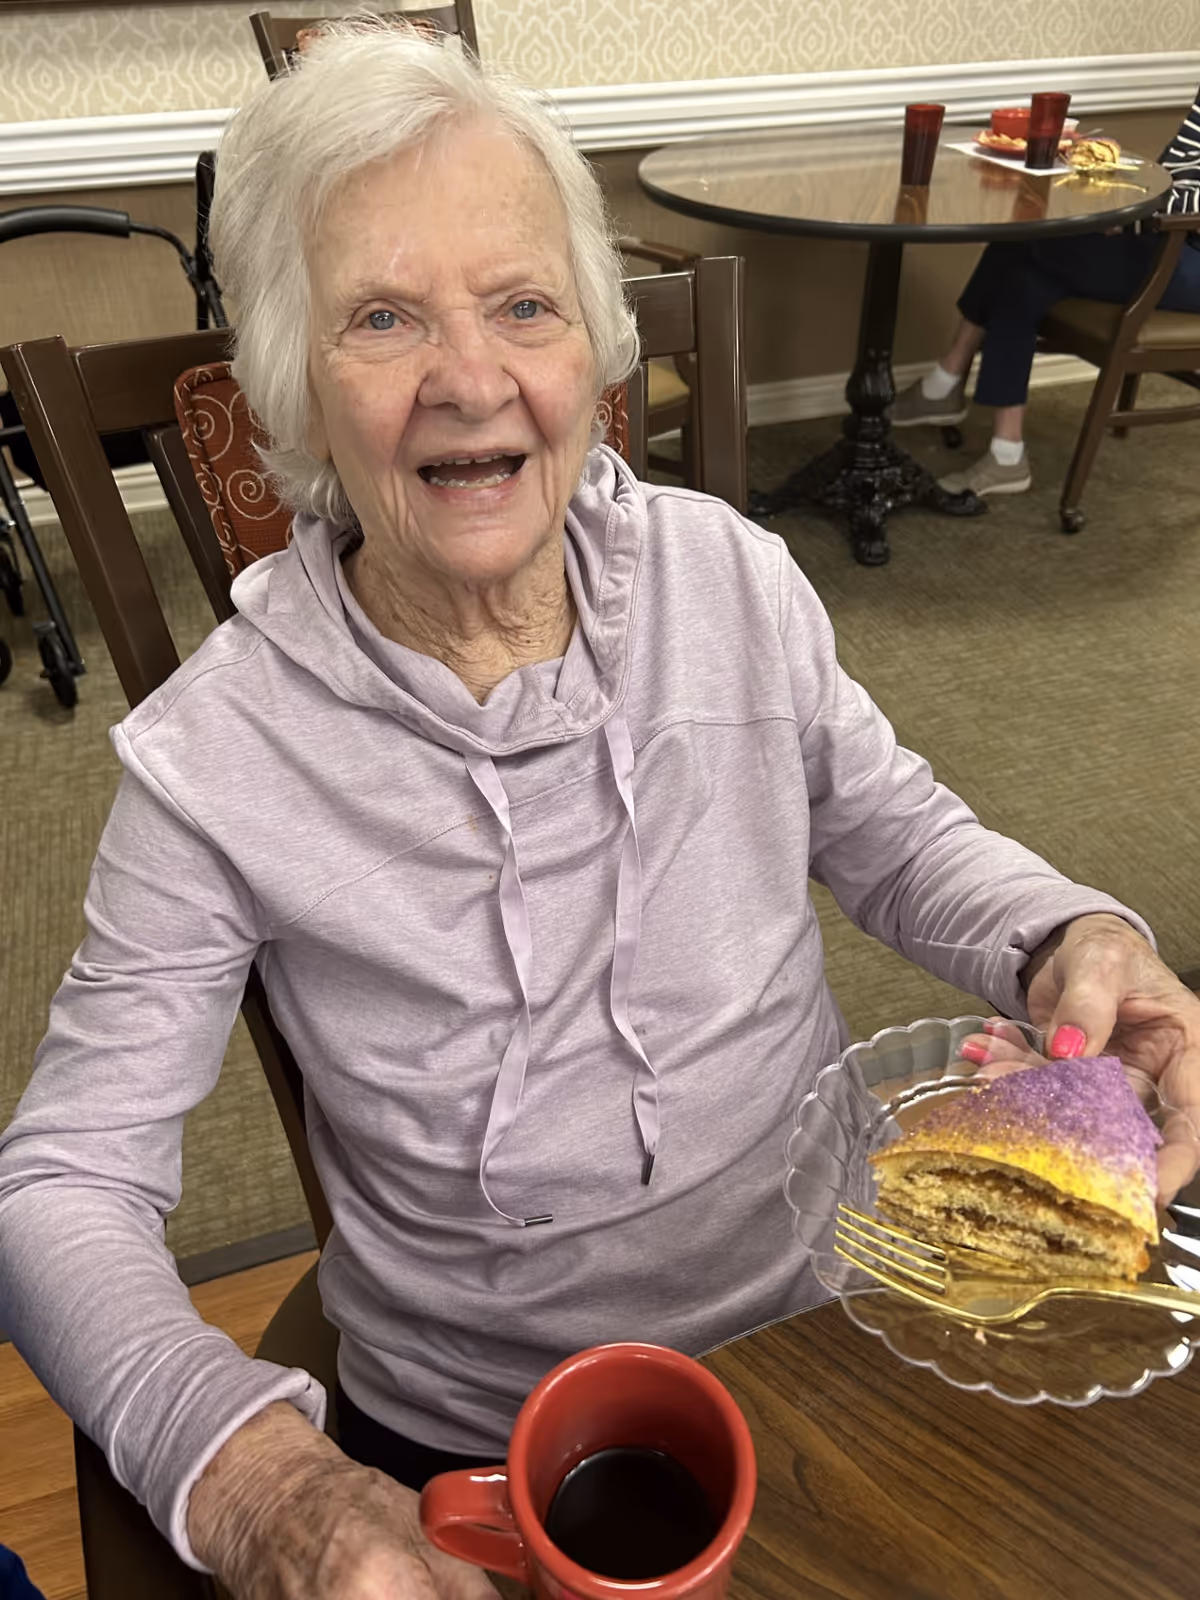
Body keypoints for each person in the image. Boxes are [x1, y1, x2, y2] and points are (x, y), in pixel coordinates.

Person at [0, 27, 1197, 1600]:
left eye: (522, 306)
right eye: (382, 317)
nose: (473, 377)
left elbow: (900, 834)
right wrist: (262, 1481)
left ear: (596, 348)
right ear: (289, 383)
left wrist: (1073, 936)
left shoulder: (733, 579)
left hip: (829, 1322)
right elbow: (60, 1188)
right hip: (480, 1448)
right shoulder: (215, 756)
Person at [891, 86, 1200, 497]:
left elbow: (1188, 201)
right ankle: (999, 444)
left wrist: (1132, 215)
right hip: (1171, 242)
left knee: (1030, 246)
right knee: (1026, 250)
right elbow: (1178, 172)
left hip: (1189, 258)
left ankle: (948, 384)